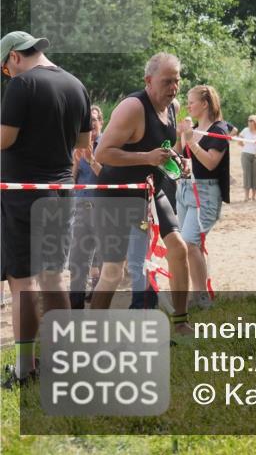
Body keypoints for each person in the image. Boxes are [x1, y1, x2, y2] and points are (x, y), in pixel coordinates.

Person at [1, 32, 91, 387]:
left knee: (22, 281)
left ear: (14, 57)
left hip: (23, 195)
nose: (8, 75)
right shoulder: (76, 85)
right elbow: (83, 144)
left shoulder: (23, 86)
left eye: (5, 69)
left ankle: (24, 369)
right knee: (53, 278)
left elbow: (5, 139)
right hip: (60, 193)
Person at [92, 53, 190, 332]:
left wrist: (175, 160)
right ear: (149, 80)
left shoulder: (174, 106)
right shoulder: (132, 107)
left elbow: (161, 147)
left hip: (152, 190)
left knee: (179, 248)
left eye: (177, 81)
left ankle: (181, 322)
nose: (173, 88)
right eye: (167, 81)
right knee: (113, 270)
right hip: (117, 196)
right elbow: (103, 153)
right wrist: (147, 158)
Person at [176, 85, 229, 308]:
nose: (188, 106)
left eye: (191, 101)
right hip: (185, 189)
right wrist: (181, 138)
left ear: (205, 103)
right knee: (186, 245)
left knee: (190, 242)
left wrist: (191, 142)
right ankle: (195, 295)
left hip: (207, 192)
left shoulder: (220, 129)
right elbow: (178, 158)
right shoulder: (193, 129)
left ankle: (202, 297)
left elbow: (210, 162)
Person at [68, 105, 104, 309]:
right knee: (78, 260)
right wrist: (74, 163)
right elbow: (72, 182)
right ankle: (76, 307)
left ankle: (98, 308)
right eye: (87, 121)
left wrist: (91, 160)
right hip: (81, 208)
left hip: (104, 210)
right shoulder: (78, 145)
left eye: (94, 119)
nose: (91, 124)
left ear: (101, 122)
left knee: (103, 262)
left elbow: (108, 177)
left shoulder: (107, 144)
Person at [237, 116, 256, 202]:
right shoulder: (245, 130)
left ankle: (253, 196)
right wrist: (245, 147)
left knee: (255, 175)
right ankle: (246, 196)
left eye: (251, 121)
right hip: (246, 154)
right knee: (247, 174)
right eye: (248, 120)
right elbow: (239, 140)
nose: (249, 122)